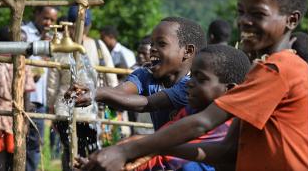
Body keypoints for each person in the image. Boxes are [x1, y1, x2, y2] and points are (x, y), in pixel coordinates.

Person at [76, 0, 308, 170]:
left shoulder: (278, 69)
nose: (244, 21)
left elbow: (203, 122)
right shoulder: (266, 71)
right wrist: (151, 150)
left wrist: (127, 149)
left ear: (291, 20)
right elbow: (228, 152)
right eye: (241, 12)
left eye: (258, 14)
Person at [66, 16, 207, 131]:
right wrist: (92, 91)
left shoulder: (191, 86)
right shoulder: (147, 74)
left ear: (187, 51)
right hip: (165, 157)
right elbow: (120, 92)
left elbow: (147, 104)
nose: (152, 49)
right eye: (152, 44)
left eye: (162, 44)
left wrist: (98, 93)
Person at [130, 44, 251, 171]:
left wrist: (129, 154)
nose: (189, 82)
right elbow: (162, 139)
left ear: (229, 90)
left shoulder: (225, 127)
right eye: (192, 75)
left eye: (201, 79)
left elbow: (167, 158)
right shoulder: (190, 110)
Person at [47, 6, 118, 171]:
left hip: (67, 107)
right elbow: (112, 77)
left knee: (71, 151)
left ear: (68, 25)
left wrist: (51, 106)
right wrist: (114, 100)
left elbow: (52, 83)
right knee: (91, 150)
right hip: (88, 108)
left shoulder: (60, 47)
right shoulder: (98, 46)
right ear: (89, 25)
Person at [21, 6, 58, 171]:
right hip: (25, 95)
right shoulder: (23, 33)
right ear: (36, 14)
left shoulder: (52, 38)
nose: (48, 23)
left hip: (41, 98)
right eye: (45, 18)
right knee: (20, 140)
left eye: (52, 20)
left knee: (35, 142)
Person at [0, 27, 36, 171]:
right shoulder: (22, 64)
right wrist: (26, 118)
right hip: (17, 114)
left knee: (0, 154)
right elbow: (27, 95)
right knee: (15, 153)